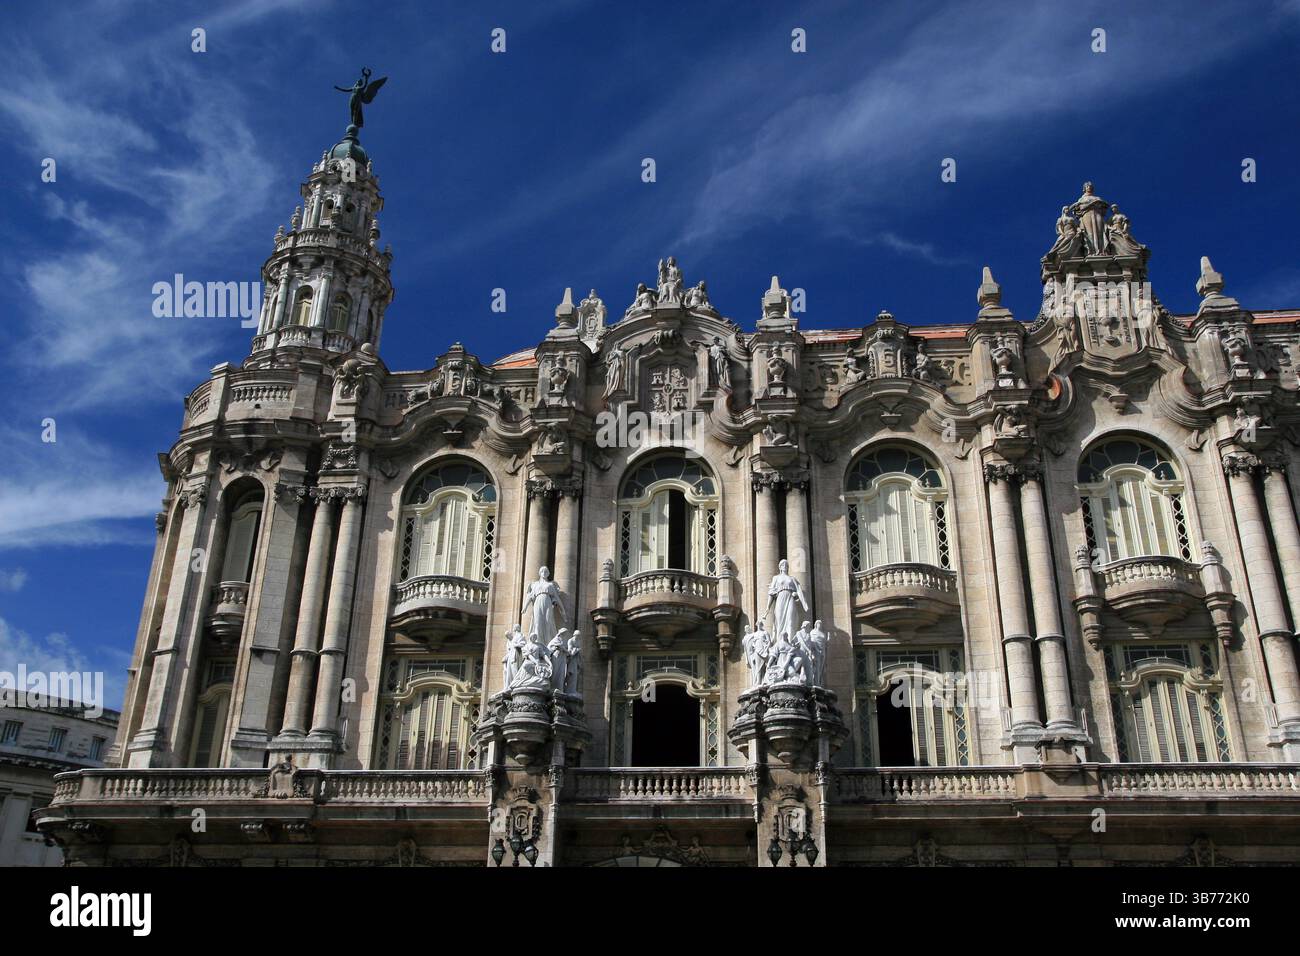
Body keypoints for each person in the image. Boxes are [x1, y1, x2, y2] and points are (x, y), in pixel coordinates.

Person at [763, 559, 809, 648]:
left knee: (790, 620)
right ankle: (780, 644)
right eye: (783, 564)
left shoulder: (792, 579)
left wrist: (804, 603)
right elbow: (771, 593)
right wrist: (768, 607)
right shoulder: (776, 578)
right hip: (780, 599)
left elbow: (799, 590)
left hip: (790, 599)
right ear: (780, 567)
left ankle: (790, 643)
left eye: (786, 564)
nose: (785, 566)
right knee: (779, 621)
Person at [522, 566, 565, 650]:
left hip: (547, 603)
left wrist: (562, 610)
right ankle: (538, 644)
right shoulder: (535, 585)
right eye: (542, 571)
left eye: (546, 571)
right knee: (537, 623)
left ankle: (548, 646)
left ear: (548, 573)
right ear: (539, 573)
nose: (544, 573)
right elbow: (530, 596)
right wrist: (525, 607)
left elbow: (557, 597)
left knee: (548, 621)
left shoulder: (550, 585)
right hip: (537, 603)